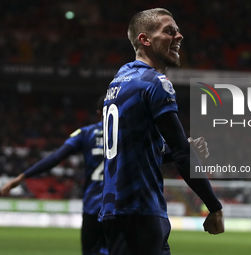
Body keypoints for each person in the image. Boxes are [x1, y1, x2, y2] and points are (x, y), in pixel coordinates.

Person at [99, 8, 224, 255]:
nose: (179, 36)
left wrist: (178, 148)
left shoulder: (120, 78)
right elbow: (181, 154)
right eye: (169, 31)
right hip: (139, 211)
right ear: (145, 39)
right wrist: (214, 206)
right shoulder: (155, 82)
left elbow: (135, 147)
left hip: (121, 210)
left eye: (177, 30)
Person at [1, 95, 109, 255]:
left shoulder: (86, 133)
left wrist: (21, 177)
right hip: (117, 207)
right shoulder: (126, 135)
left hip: (92, 207)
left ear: (99, 113)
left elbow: (55, 158)